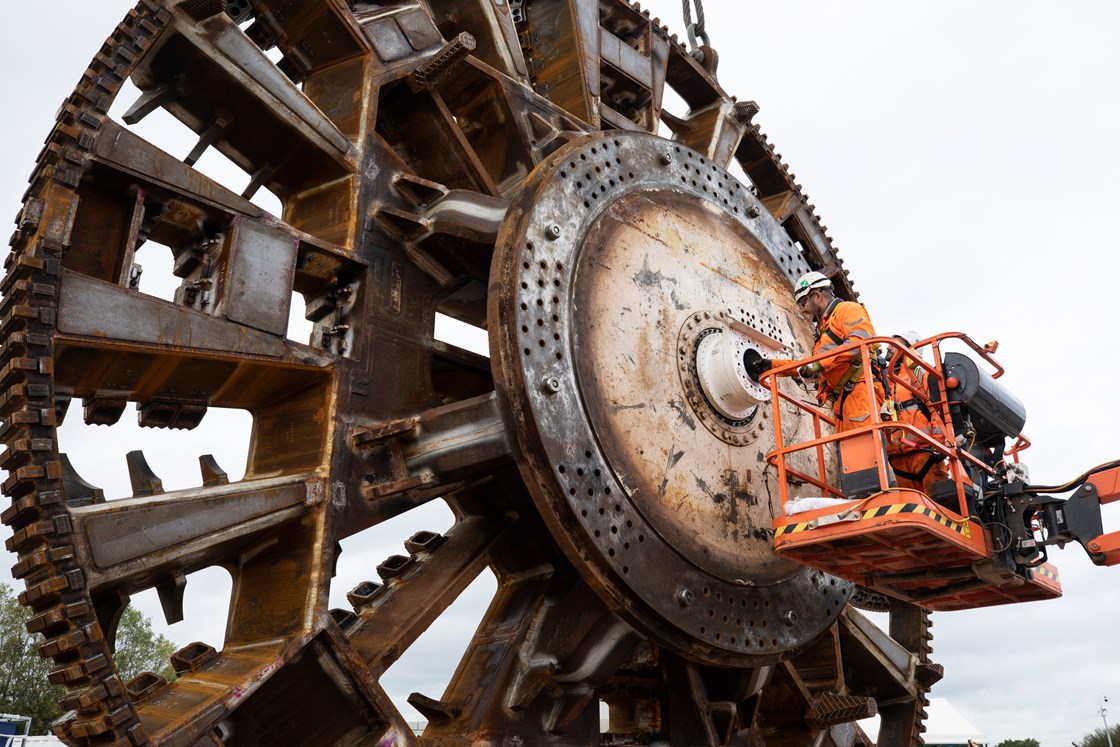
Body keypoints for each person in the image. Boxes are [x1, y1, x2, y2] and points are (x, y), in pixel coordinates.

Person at [748, 271, 883, 433]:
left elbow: (861, 341)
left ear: (818, 296)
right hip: (843, 401)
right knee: (853, 453)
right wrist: (772, 365)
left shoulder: (848, 309)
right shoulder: (824, 330)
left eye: (803, 303)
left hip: (859, 395)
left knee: (865, 452)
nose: (803, 310)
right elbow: (809, 366)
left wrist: (819, 363)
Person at [885, 330, 950, 495]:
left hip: (926, 455)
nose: (888, 347)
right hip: (896, 458)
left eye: (895, 345)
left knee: (940, 507)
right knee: (907, 512)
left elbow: (937, 410)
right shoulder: (883, 380)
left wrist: (940, 446)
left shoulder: (923, 375)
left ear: (910, 349)